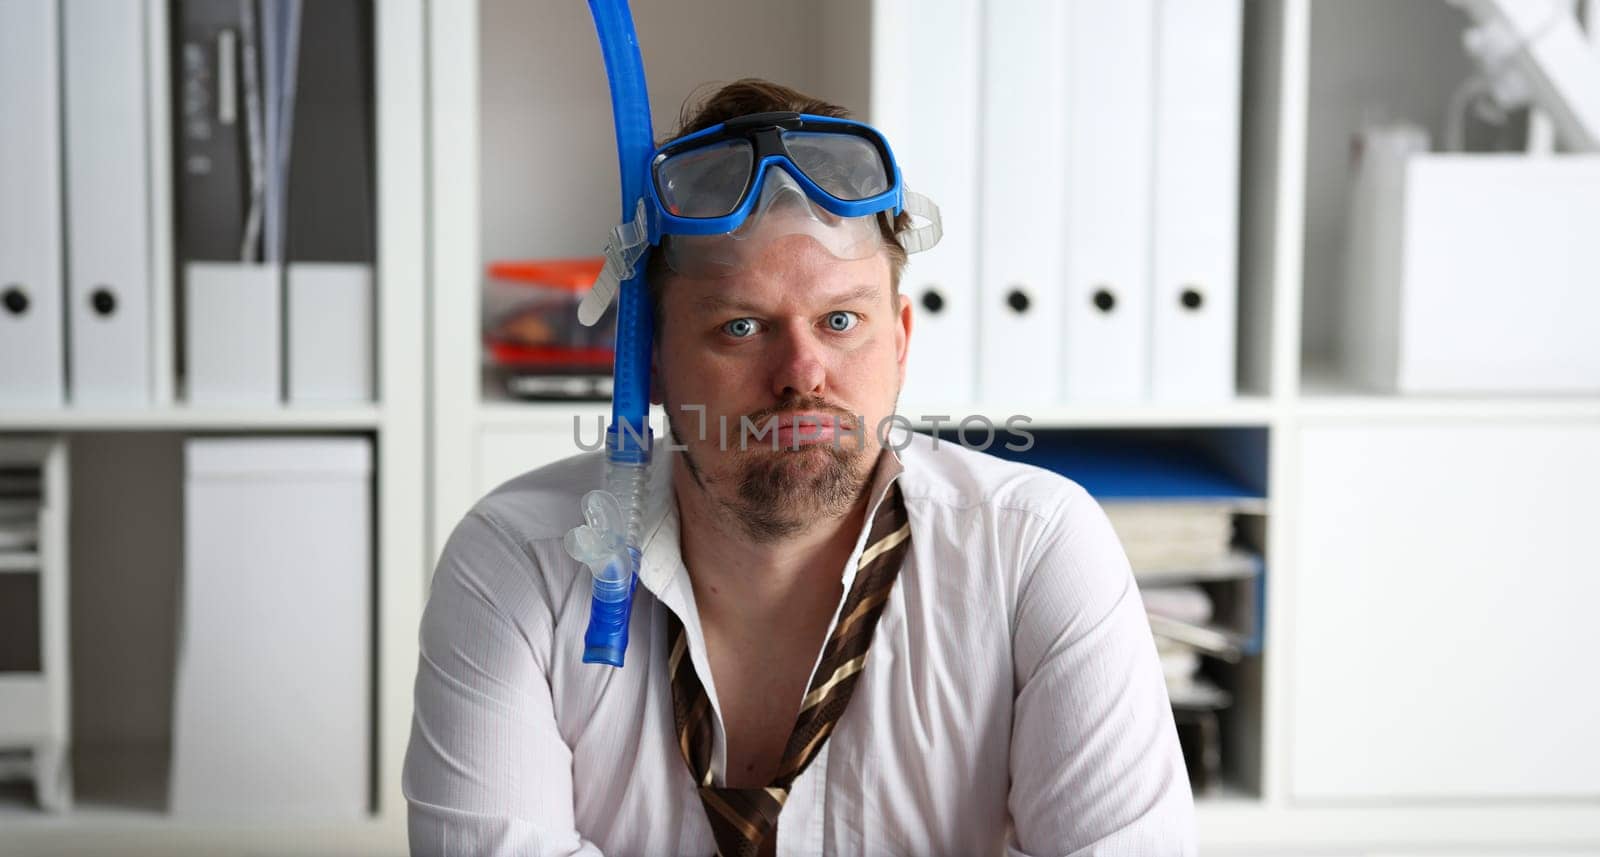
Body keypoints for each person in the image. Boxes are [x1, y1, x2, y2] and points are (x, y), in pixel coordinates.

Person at [403, 78, 1196, 856]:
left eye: (842, 319)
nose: (803, 372)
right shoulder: (516, 567)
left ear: (900, 341)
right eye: (742, 325)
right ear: (647, 361)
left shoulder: (1035, 550)